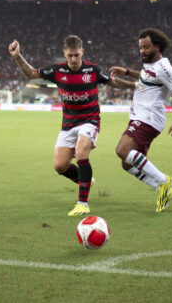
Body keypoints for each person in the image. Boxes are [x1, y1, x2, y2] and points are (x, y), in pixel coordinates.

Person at [8, 35, 134, 217]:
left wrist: (136, 85)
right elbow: (31, 73)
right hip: (68, 124)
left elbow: (115, 82)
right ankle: (86, 180)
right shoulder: (57, 70)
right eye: (70, 56)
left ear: (82, 51)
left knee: (82, 153)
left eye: (76, 55)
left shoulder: (93, 70)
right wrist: (17, 56)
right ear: (64, 54)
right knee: (60, 166)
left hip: (90, 120)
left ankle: (83, 203)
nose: (74, 59)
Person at [109, 28, 172, 213]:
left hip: (149, 117)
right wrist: (128, 72)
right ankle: (163, 191)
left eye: (146, 48)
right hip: (140, 116)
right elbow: (147, 76)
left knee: (122, 150)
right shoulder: (149, 64)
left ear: (157, 47)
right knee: (127, 164)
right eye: (140, 48)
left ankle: (164, 181)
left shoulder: (165, 68)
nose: (142, 51)